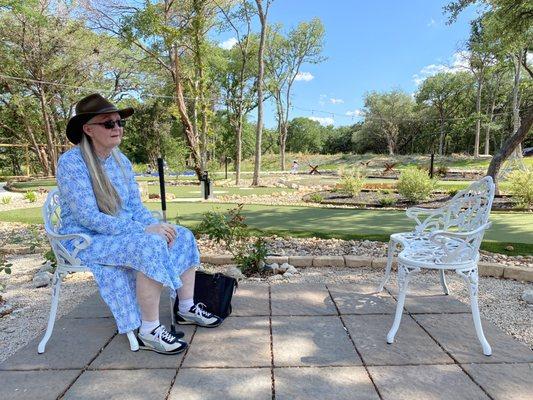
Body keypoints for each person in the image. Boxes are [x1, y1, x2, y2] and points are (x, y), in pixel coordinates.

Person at [57, 93, 222, 355]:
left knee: (182, 235)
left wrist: (157, 225)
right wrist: (144, 230)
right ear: (88, 129)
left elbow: (134, 207)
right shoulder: (72, 162)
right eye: (108, 124)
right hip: (84, 238)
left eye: (120, 122)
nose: (117, 128)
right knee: (149, 244)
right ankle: (149, 329)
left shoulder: (120, 160)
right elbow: (87, 217)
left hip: (117, 232)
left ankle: (186, 307)